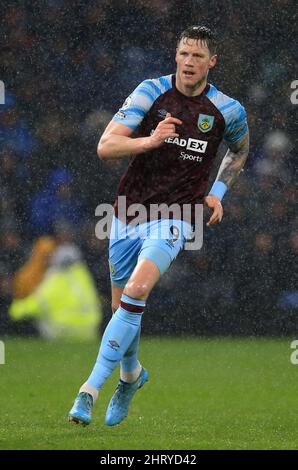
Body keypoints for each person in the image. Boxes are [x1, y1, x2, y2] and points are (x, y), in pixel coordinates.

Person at [69, 25, 249, 427]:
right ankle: (131, 377)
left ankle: (88, 390)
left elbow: (240, 150)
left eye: (198, 56)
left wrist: (218, 191)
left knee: (136, 291)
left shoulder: (227, 109)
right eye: (184, 53)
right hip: (129, 212)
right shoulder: (150, 92)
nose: (189, 62)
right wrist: (149, 141)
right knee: (121, 310)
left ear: (211, 62)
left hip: (178, 215)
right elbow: (106, 146)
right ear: (176, 55)